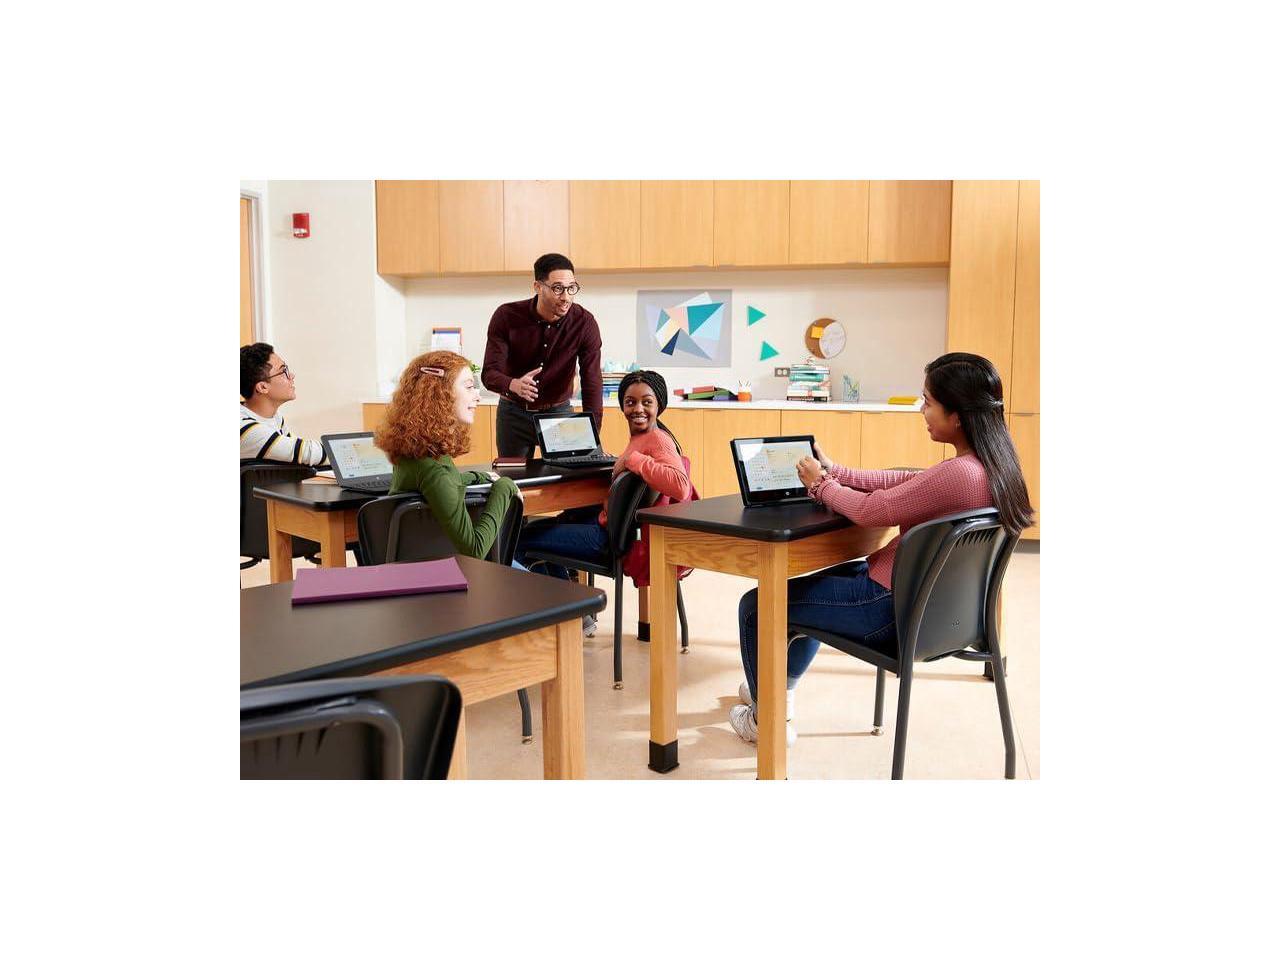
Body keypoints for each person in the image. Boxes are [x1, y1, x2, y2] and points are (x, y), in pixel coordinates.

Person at [729, 352, 1035, 746]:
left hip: (891, 612)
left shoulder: (959, 473)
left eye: (928, 401)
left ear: (957, 415)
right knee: (809, 591)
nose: (922, 410)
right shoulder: (996, 467)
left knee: (758, 605)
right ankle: (775, 692)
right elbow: (907, 482)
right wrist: (836, 471)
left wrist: (820, 484)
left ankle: (766, 719)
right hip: (943, 617)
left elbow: (873, 511)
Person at [515, 370, 692, 637]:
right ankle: (576, 615)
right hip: (616, 531)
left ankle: (549, 623)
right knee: (553, 524)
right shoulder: (643, 438)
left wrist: (632, 460)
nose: (638, 409)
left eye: (646, 402)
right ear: (622, 405)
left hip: (608, 540)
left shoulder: (657, 439)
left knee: (520, 540)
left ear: (660, 405)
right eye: (630, 402)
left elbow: (680, 485)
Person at [375, 350, 523, 560]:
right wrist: (505, 487)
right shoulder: (435, 471)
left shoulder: (415, 455)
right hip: (448, 570)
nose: (478, 396)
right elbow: (475, 550)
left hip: (417, 566)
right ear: (439, 394)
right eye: (469, 387)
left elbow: (443, 484)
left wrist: (479, 477)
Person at [482, 252, 603, 457]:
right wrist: (513, 384)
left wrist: (593, 433)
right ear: (538, 287)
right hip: (513, 414)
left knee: (567, 475)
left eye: (571, 288)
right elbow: (489, 374)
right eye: (558, 288)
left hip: (559, 413)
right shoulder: (506, 316)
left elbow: (592, 380)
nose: (566, 297)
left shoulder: (584, 323)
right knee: (513, 475)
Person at [240, 342, 327, 465]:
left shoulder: (274, 417)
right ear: (263, 387)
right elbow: (307, 453)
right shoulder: (246, 429)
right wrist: (349, 451)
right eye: (283, 371)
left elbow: (294, 449)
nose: (291, 376)